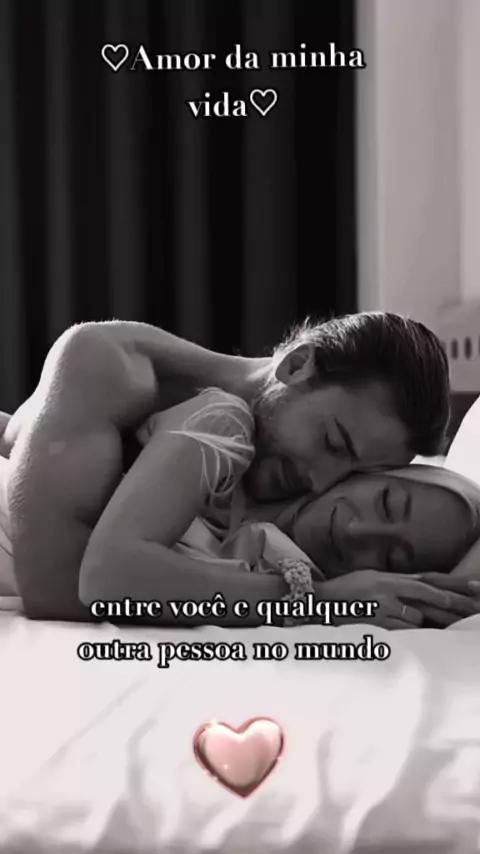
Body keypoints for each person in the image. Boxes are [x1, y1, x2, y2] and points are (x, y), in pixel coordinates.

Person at [3, 312, 451, 622]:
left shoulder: (289, 475)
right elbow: (54, 588)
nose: (321, 482)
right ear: (297, 366)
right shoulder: (109, 365)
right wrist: (314, 601)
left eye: (354, 472)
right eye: (333, 442)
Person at [77, 393, 479, 630]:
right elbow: (107, 577)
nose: (357, 531)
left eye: (390, 558)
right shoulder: (227, 436)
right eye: (386, 503)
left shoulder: (276, 563)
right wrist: (317, 601)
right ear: (368, 471)